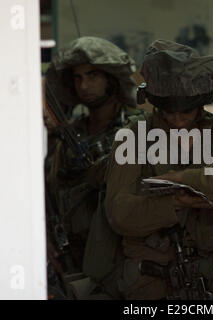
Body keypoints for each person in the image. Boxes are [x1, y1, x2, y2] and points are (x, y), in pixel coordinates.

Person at [104, 39, 213, 300]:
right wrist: (174, 203)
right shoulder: (133, 138)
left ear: (201, 103)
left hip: (211, 280)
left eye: (186, 111)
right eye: (169, 111)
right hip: (154, 282)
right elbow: (118, 213)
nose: (178, 120)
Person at [44, 36, 146, 299]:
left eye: (92, 76)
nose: (84, 85)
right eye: (77, 78)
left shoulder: (135, 131)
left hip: (124, 261)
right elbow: (48, 195)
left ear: (111, 79)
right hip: (72, 259)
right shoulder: (66, 138)